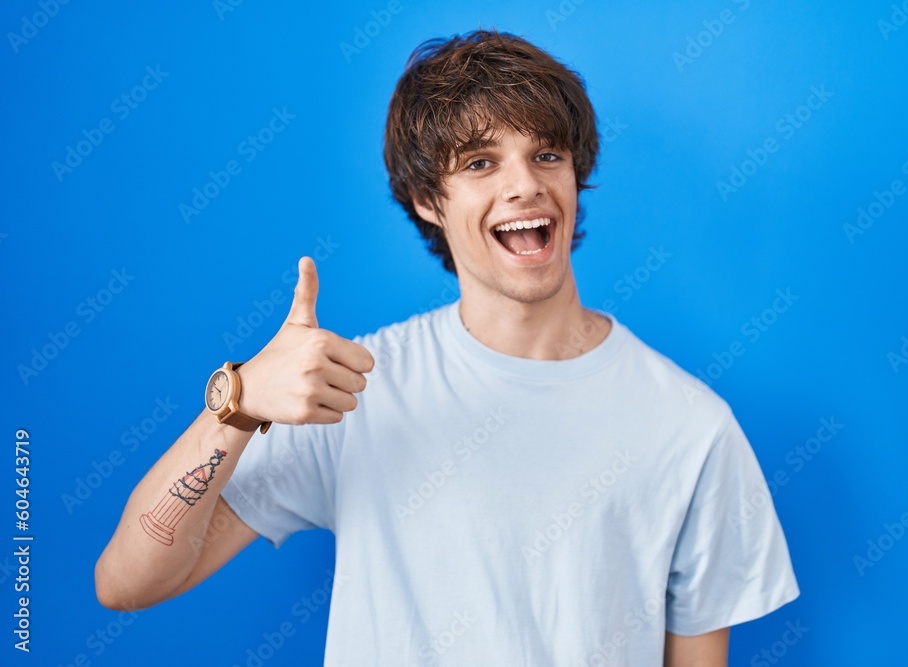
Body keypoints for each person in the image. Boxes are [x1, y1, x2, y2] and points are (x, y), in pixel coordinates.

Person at [95, 29, 800, 666]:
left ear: (573, 177)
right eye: (481, 162)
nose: (525, 184)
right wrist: (238, 405)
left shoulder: (691, 425)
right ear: (429, 199)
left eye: (546, 154)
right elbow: (126, 581)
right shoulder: (354, 390)